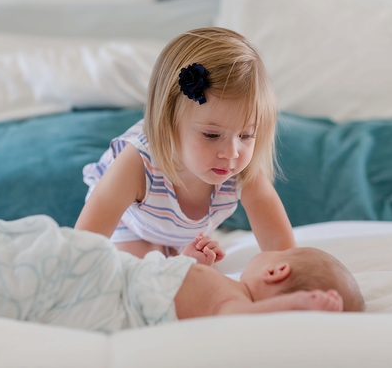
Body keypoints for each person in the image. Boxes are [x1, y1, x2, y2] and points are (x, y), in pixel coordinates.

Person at [0, 216, 364, 333]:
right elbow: (171, 279)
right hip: (117, 270)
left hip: (106, 288)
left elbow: (232, 324)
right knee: (27, 247)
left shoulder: (239, 304)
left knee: (16, 263)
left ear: (276, 269)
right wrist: (193, 258)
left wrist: (293, 307)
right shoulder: (225, 287)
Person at [75, 27, 295, 259]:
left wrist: (293, 278)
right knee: (144, 271)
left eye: (245, 135)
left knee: (203, 280)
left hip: (179, 233)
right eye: (211, 135)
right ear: (168, 123)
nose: (231, 153)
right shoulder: (137, 164)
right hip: (131, 227)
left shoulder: (242, 169)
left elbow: (279, 243)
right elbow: (85, 242)